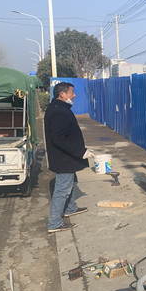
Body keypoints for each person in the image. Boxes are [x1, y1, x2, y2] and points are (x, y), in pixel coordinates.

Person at [45, 82, 95, 233]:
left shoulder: (59, 108)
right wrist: (81, 152)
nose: (74, 95)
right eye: (71, 92)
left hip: (67, 157)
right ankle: (54, 223)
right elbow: (59, 139)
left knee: (73, 182)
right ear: (62, 94)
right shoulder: (59, 112)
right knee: (62, 190)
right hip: (64, 159)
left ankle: (71, 208)